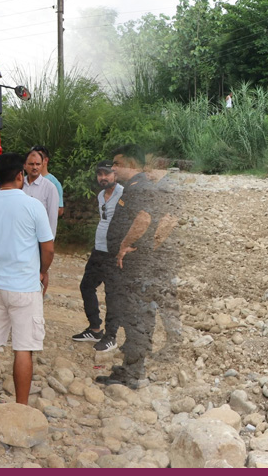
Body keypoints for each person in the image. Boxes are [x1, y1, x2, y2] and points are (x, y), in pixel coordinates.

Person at [0, 153, 55, 409]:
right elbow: (48, 248)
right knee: (23, 348)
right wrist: (42, 272)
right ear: (20, 175)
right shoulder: (32, 206)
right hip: (24, 288)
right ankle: (20, 407)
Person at [95, 144, 181, 389]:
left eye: (116, 164)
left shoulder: (140, 188)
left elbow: (145, 219)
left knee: (136, 315)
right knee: (137, 313)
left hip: (133, 265)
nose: (112, 168)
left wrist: (125, 246)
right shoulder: (139, 187)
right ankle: (132, 366)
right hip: (135, 263)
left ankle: (133, 373)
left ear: (129, 164)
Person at [72, 160, 123, 348]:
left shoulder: (124, 193)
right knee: (86, 286)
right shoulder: (101, 195)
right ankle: (95, 330)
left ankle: (111, 336)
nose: (103, 178)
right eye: (100, 174)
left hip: (114, 252)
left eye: (106, 174)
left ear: (115, 175)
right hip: (98, 249)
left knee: (112, 293)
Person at [21, 149, 59, 237]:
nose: (35, 167)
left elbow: (52, 218)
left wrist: (49, 241)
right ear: (24, 166)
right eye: (31, 164)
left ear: (42, 165)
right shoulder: (19, 185)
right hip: (20, 237)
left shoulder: (50, 188)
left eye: (38, 164)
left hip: (39, 238)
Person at [31, 145, 65, 219]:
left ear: (45, 160)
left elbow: (60, 210)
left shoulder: (54, 183)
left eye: (38, 158)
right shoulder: (25, 181)